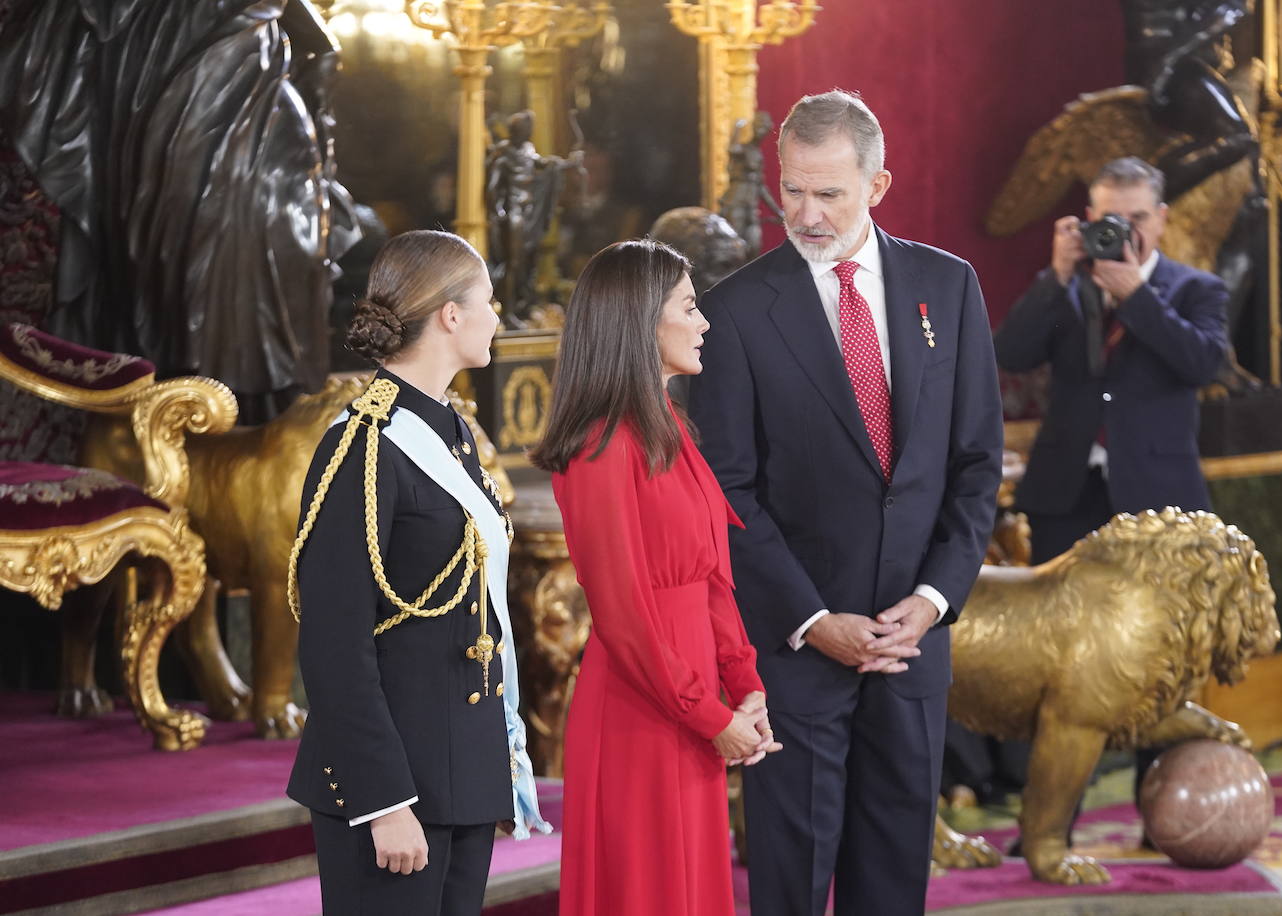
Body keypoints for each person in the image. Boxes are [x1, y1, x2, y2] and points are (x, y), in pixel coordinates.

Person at [688, 91, 1004, 916]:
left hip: (911, 651)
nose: (806, 212)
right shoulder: (734, 311)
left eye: (828, 193)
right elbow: (728, 492)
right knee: (789, 884)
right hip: (796, 657)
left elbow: (976, 467)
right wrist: (810, 619)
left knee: (894, 880)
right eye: (791, 188)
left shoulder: (949, 286)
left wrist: (933, 602)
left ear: (879, 184)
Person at [285, 229, 551, 915]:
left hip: (458, 772)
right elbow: (334, 647)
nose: (498, 316)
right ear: (450, 315)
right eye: (488, 301)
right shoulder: (361, 447)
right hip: (394, 787)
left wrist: (489, 774)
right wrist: (383, 801)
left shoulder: (451, 431)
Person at [530, 239, 781, 916]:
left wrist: (746, 685)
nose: (704, 323)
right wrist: (709, 713)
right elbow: (623, 614)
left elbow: (712, 579)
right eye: (690, 307)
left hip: (693, 707)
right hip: (641, 714)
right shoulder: (598, 448)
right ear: (640, 320)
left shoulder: (670, 425)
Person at [994, 156, 1228, 826]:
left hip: (1158, 501)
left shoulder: (1195, 289)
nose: (1119, 232)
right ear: (1088, 219)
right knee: (1056, 660)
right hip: (1068, 493)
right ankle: (1049, 825)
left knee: (1163, 659)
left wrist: (1136, 296)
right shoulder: (1067, 288)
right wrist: (1058, 275)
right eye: (1106, 220)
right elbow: (1009, 351)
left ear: (1162, 219)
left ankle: (1169, 818)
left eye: (1134, 219)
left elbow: (1203, 363)